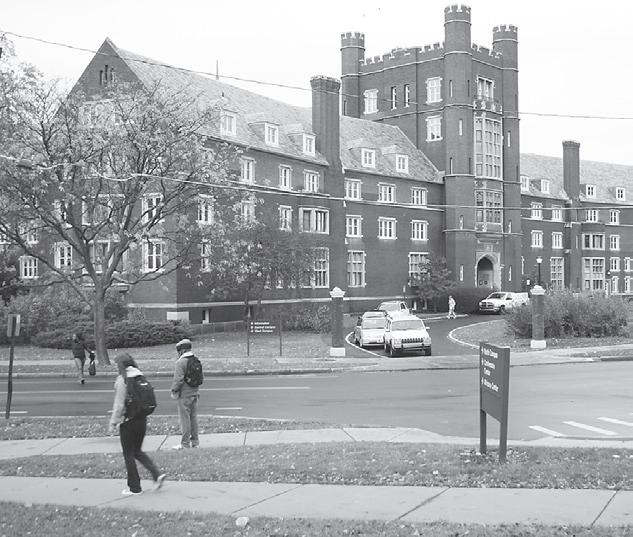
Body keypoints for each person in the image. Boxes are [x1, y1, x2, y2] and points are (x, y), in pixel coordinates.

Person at [108, 353, 166, 495]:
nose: (115, 367)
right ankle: (156, 474)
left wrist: (113, 422)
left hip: (128, 421)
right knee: (137, 451)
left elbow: (119, 404)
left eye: (116, 364)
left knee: (128, 453)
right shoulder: (140, 376)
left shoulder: (123, 379)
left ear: (121, 365)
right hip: (142, 418)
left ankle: (134, 488)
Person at [170, 338, 200, 449]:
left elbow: (178, 380)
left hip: (184, 395)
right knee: (193, 418)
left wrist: (174, 390)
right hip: (195, 393)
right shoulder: (196, 360)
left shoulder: (180, 363)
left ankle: (185, 443)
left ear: (181, 351)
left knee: (185, 420)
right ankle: (195, 442)